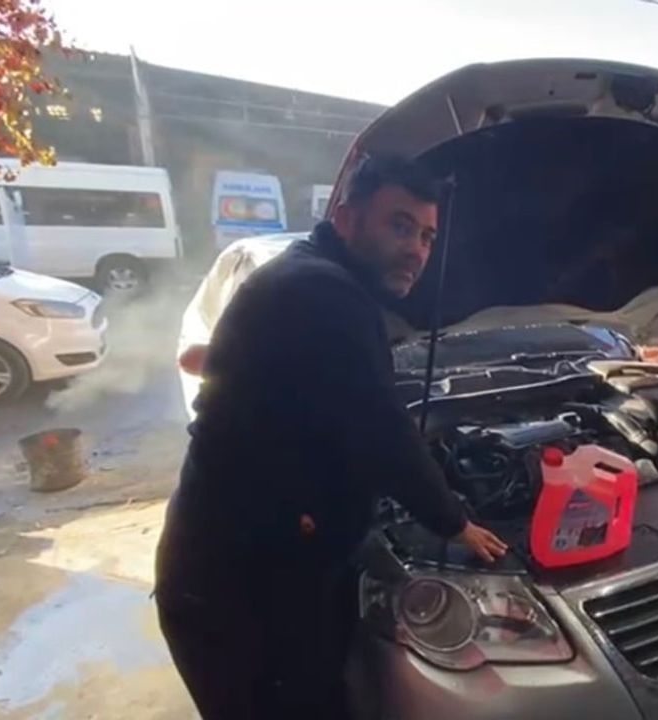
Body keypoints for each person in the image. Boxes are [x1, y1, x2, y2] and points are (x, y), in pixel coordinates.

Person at [154, 154, 508, 718]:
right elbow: (381, 427)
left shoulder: (309, 276)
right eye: (400, 225)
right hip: (240, 593)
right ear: (345, 218)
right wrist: (455, 521)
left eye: (427, 236)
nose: (417, 249)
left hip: (246, 566)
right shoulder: (323, 292)